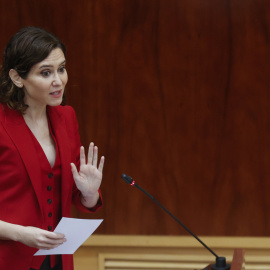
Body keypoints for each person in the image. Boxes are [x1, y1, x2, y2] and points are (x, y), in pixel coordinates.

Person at [0, 26, 105, 270]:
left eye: (62, 69)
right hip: (9, 259)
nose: (59, 81)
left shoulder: (66, 117)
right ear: (17, 78)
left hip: (57, 259)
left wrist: (89, 193)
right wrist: (20, 233)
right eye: (46, 73)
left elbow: (73, 196)